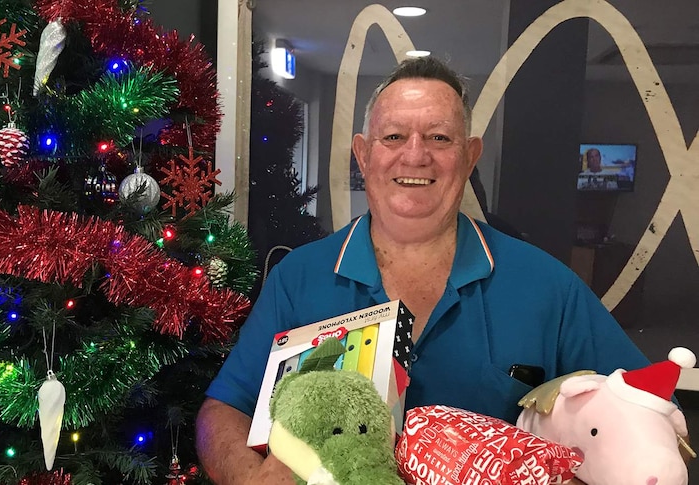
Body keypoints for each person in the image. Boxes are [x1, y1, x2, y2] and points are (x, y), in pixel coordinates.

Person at [195, 56, 654, 484]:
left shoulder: (547, 286)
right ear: (363, 154)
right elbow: (224, 410)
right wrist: (250, 478)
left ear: (470, 155)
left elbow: (647, 411)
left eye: (439, 137)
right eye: (393, 136)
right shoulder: (299, 277)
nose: (415, 156)